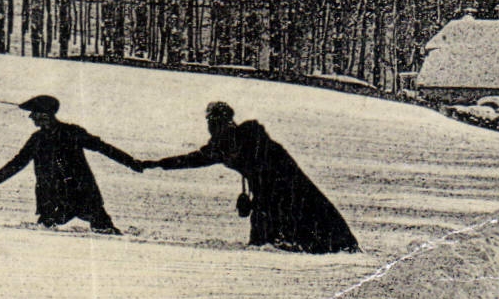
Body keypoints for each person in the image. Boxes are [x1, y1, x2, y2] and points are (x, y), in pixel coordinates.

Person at [140, 101, 358, 253]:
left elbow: (199, 159)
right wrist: (158, 164)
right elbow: (196, 159)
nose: (210, 128)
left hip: (281, 190)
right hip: (277, 191)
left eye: (213, 123)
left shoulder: (241, 141)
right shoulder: (234, 142)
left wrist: (157, 164)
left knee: (282, 232)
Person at [0, 95, 145, 234]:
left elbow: (103, 148)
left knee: (104, 230)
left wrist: (132, 163)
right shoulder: (37, 139)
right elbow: (17, 163)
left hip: (80, 193)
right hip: (53, 197)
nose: (30, 116)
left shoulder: (71, 133)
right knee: (47, 230)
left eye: (34, 113)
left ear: (45, 115)